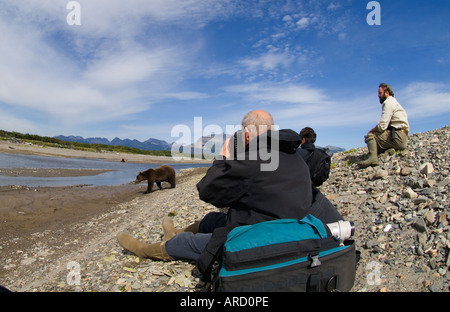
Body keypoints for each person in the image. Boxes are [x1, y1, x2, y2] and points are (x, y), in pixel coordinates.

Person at [116, 109, 343, 264]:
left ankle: (148, 249)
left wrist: (226, 156)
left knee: (188, 243)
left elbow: (207, 190)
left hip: (266, 236)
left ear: (246, 135)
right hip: (281, 221)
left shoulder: (252, 159)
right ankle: (173, 233)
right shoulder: (292, 154)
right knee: (212, 221)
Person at [358, 83, 410, 169]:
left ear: (387, 92)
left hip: (398, 137)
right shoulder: (395, 102)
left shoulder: (388, 102)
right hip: (402, 137)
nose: (378, 95)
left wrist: (371, 131)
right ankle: (389, 151)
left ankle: (373, 159)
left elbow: (382, 126)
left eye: (380, 93)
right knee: (378, 140)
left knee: (371, 135)